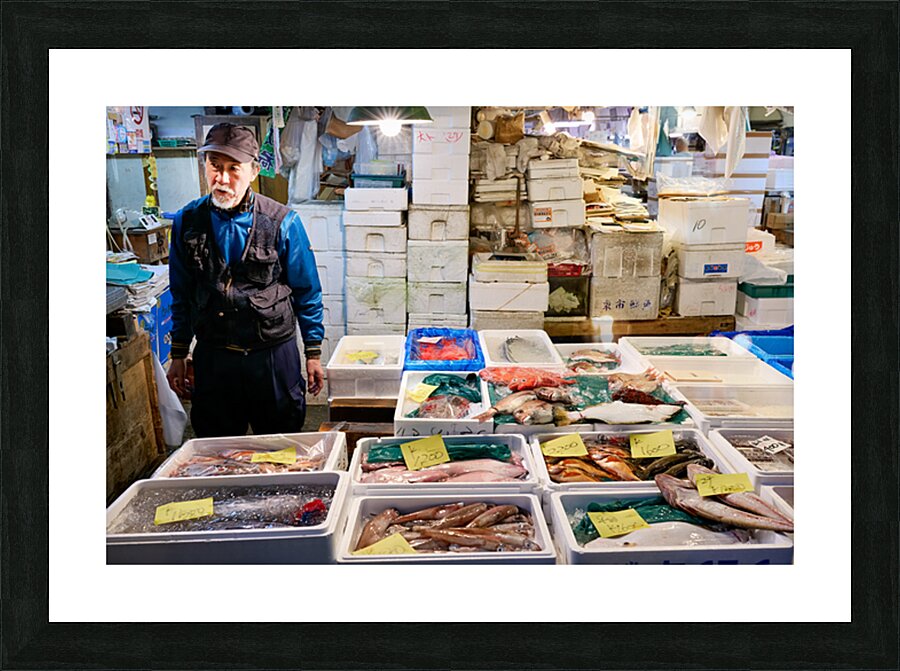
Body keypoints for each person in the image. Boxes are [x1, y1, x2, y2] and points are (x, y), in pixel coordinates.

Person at [166, 122, 325, 437]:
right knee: (217, 452)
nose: (222, 178)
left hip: (271, 357)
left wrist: (313, 352)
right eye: (215, 166)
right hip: (214, 357)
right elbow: (181, 292)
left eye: (233, 168)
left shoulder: (283, 222)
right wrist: (179, 353)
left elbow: (307, 292)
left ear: (254, 171)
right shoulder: (187, 221)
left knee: (282, 446)